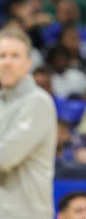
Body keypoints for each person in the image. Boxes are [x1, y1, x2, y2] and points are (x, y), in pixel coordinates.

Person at [0, 28, 57, 219]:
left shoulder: (38, 102)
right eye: (2, 56)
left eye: (15, 56)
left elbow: (4, 157)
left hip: (27, 213)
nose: (7, 62)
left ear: (28, 62)